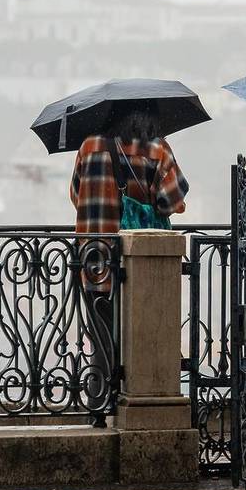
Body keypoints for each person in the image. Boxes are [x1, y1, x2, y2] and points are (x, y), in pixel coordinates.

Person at [69, 101, 190, 362]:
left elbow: (76, 196)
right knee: (145, 340)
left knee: (102, 340)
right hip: (142, 265)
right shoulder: (158, 149)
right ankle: (140, 396)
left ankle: (101, 397)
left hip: (94, 257)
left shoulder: (89, 146)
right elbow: (172, 201)